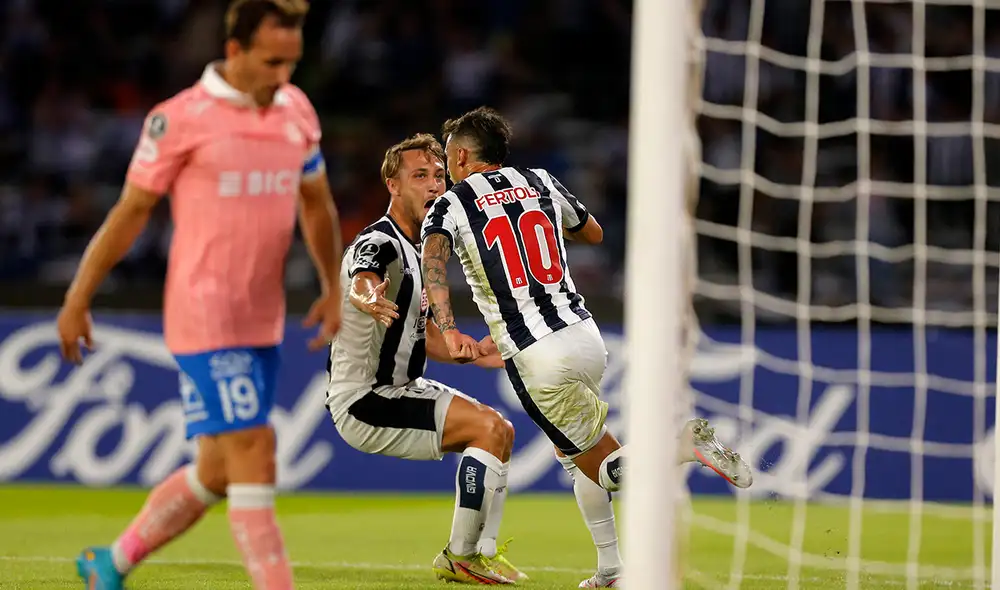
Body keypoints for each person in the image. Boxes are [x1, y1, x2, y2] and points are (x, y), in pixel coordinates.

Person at [57, 2, 343, 589]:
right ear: (234, 51)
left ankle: (109, 565)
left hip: (262, 317)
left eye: (292, 62)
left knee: (216, 471)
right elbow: (131, 212)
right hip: (203, 310)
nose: (283, 77)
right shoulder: (179, 118)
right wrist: (78, 297)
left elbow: (316, 203)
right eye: (271, 61)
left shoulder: (296, 111)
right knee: (254, 450)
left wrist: (333, 284)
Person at [419, 106, 753, 588]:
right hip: (584, 335)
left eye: (449, 158)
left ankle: (682, 446)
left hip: (537, 354)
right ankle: (612, 569)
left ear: (465, 155)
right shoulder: (540, 180)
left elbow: (434, 259)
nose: (448, 169)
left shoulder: (452, 203)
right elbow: (592, 233)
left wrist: (448, 328)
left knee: (607, 468)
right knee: (575, 457)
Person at [326, 134, 526, 585]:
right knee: (487, 429)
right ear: (393, 185)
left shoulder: (417, 248)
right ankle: (461, 557)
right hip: (365, 398)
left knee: (501, 432)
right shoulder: (381, 240)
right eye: (419, 176)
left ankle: (482, 553)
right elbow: (364, 274)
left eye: (439, 175)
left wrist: (467, 353)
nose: (434, 185)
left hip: (399, 388)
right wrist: (365, 295)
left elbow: (422, 334)